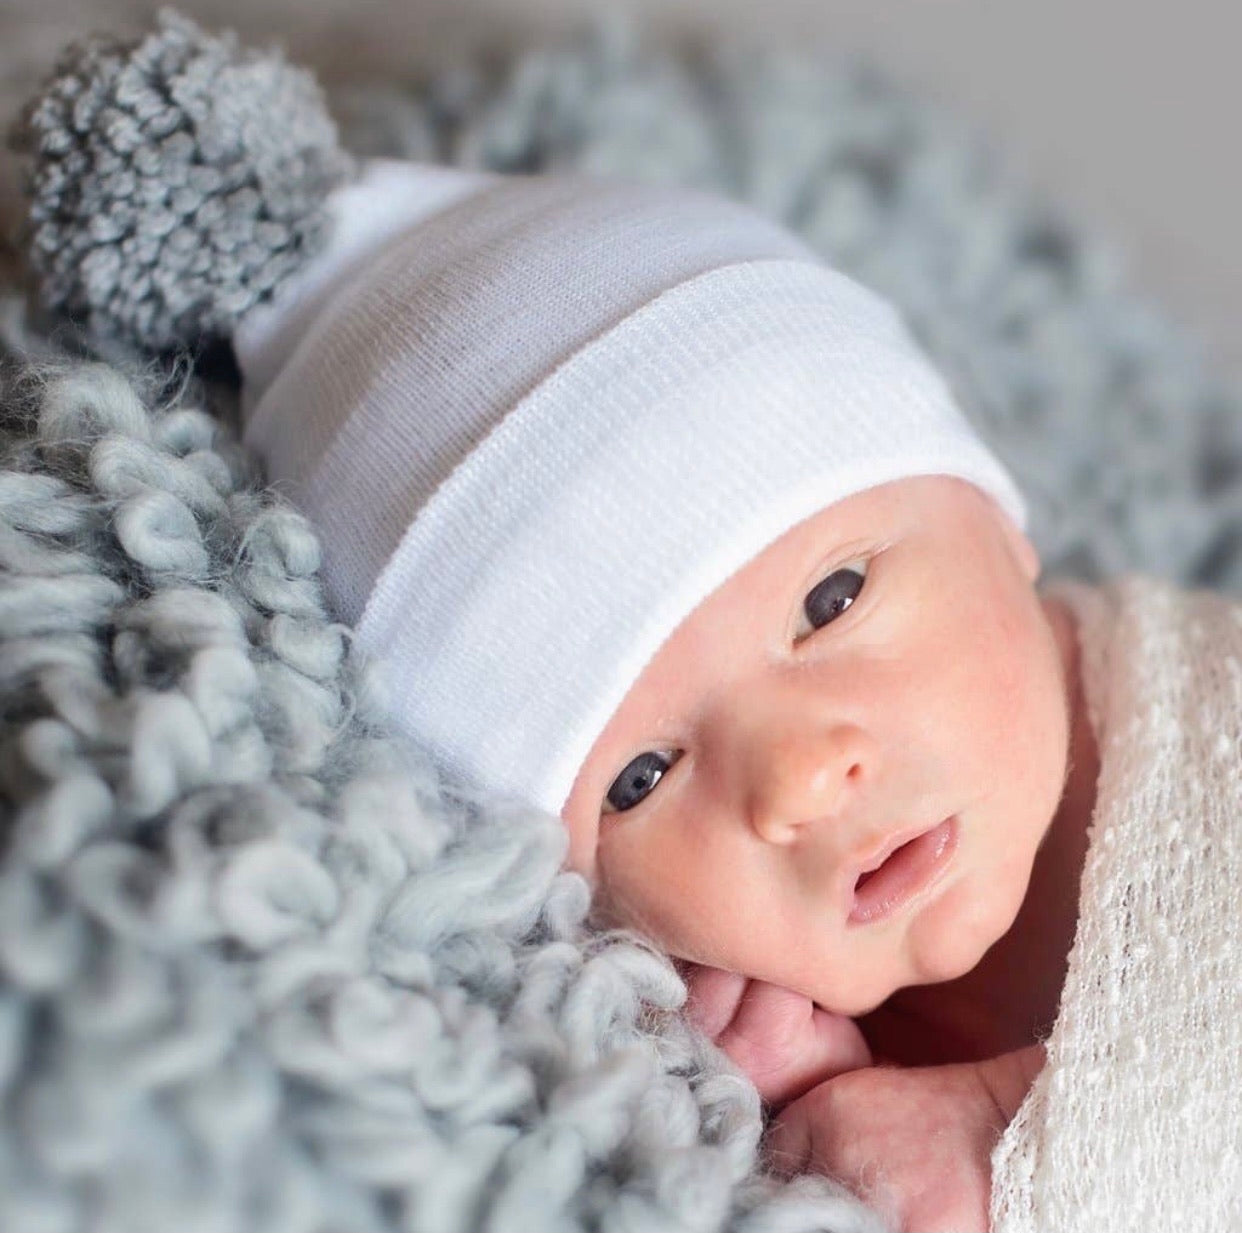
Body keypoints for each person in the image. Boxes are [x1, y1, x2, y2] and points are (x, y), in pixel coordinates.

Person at [221, 157, 1242, 1232]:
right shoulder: (731, 1045)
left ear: (995, 518)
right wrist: (817, 1104)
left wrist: (1013, 1138)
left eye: (832, 599)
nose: (798, 778)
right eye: (642, 777)